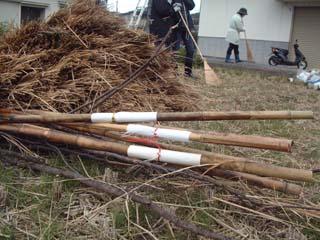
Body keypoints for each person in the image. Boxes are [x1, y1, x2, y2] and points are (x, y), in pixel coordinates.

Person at [149, 0, 196, 78]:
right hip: (176, 27)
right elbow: (167, 11)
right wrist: (174, 8)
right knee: (175, 51)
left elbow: (192, 5)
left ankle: (188, 73)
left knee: (191, 50)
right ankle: (174, 72)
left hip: (187, 27)